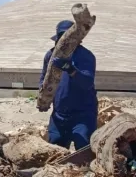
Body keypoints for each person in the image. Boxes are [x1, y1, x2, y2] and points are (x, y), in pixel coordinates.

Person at [39, 20, 98, 150]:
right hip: (59, 114)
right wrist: (43, 97)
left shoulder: (85, 56)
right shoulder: (50, 55)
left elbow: (87, 82)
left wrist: (70, 69)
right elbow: (44, 78)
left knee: (83, 149)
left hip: (83, 114)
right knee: (54, 150)